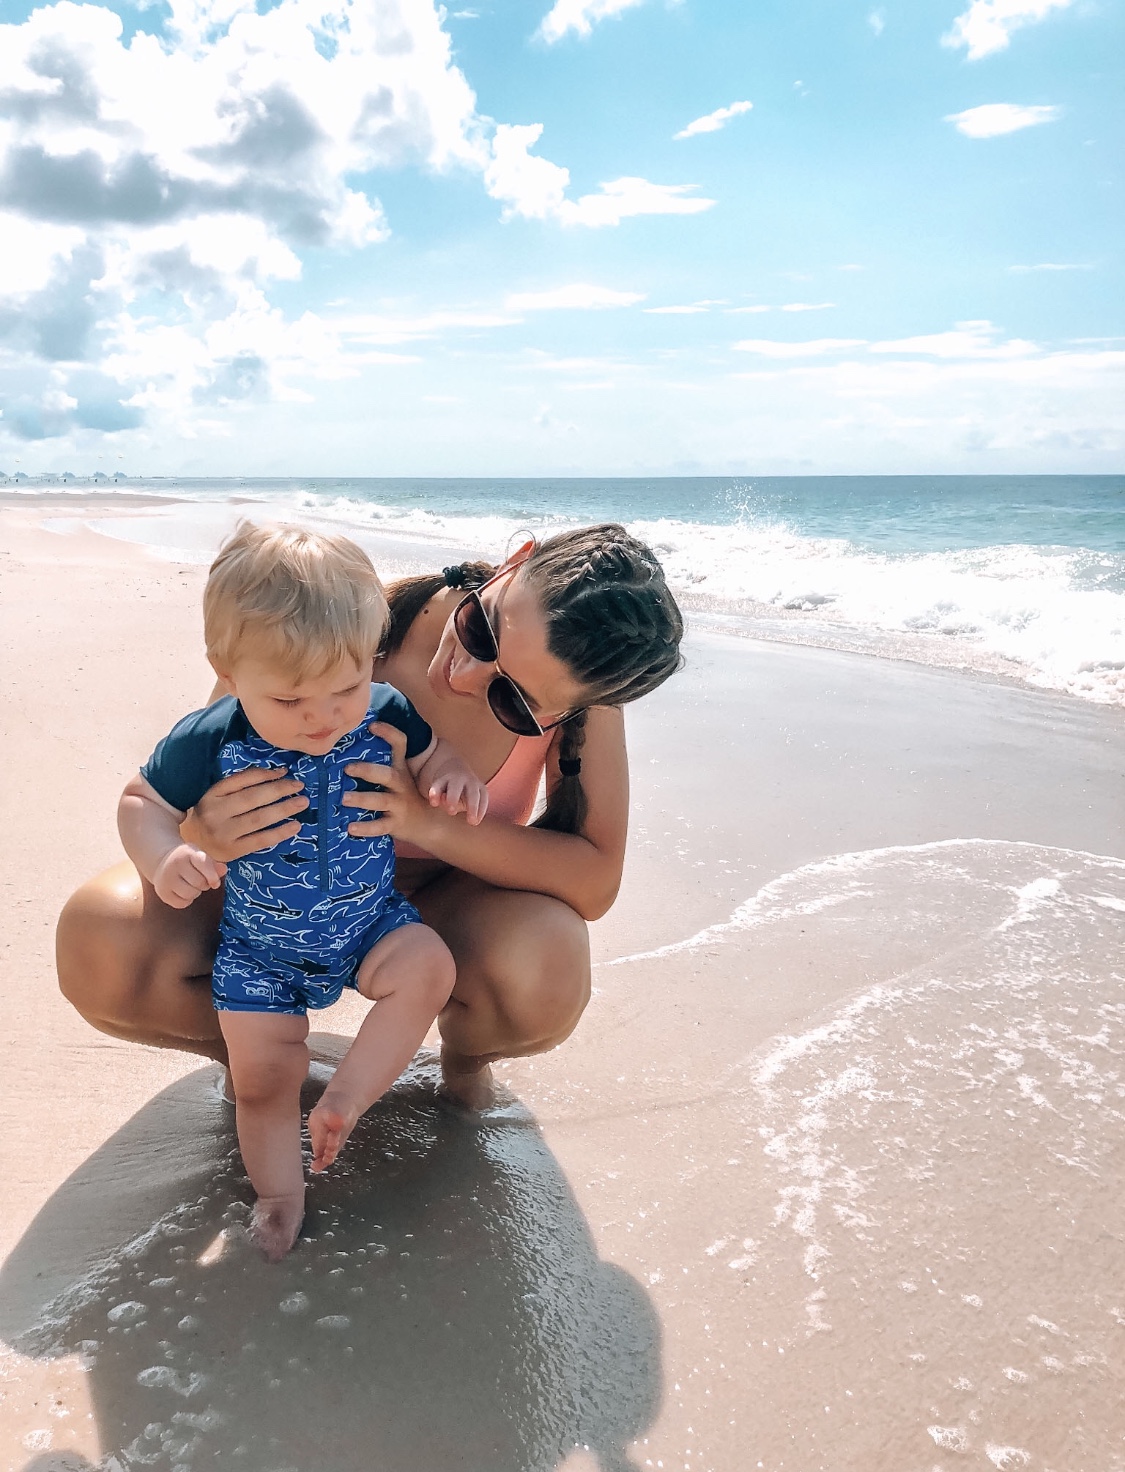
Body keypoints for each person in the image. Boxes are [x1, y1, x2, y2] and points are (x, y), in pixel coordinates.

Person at [57, 522, 685, 1119]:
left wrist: (426, 823)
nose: (462, 676)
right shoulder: (346, 620)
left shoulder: (585, 703)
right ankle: (260, 1060)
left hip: (443, 909)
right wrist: (201, 834)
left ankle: (463, 1063)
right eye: (482, 630)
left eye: (513, 701)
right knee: (102, 944)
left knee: (546, 966)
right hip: (275, 899)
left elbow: (595, 882)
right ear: (514, 561)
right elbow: (191, 782)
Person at [117, 523, 487, 1258]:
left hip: (369, 923)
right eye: (288, 700)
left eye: (344, 686)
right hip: (259, 950)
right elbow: (140, 804)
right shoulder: (209, 738)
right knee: (264, 1082)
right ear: (227, 668)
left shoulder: (383, 707)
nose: (322, 717)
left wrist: (450, 772)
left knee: (429, 967)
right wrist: (166, 857)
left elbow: (431, 749)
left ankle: (346, 1098)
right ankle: (280, 1196)